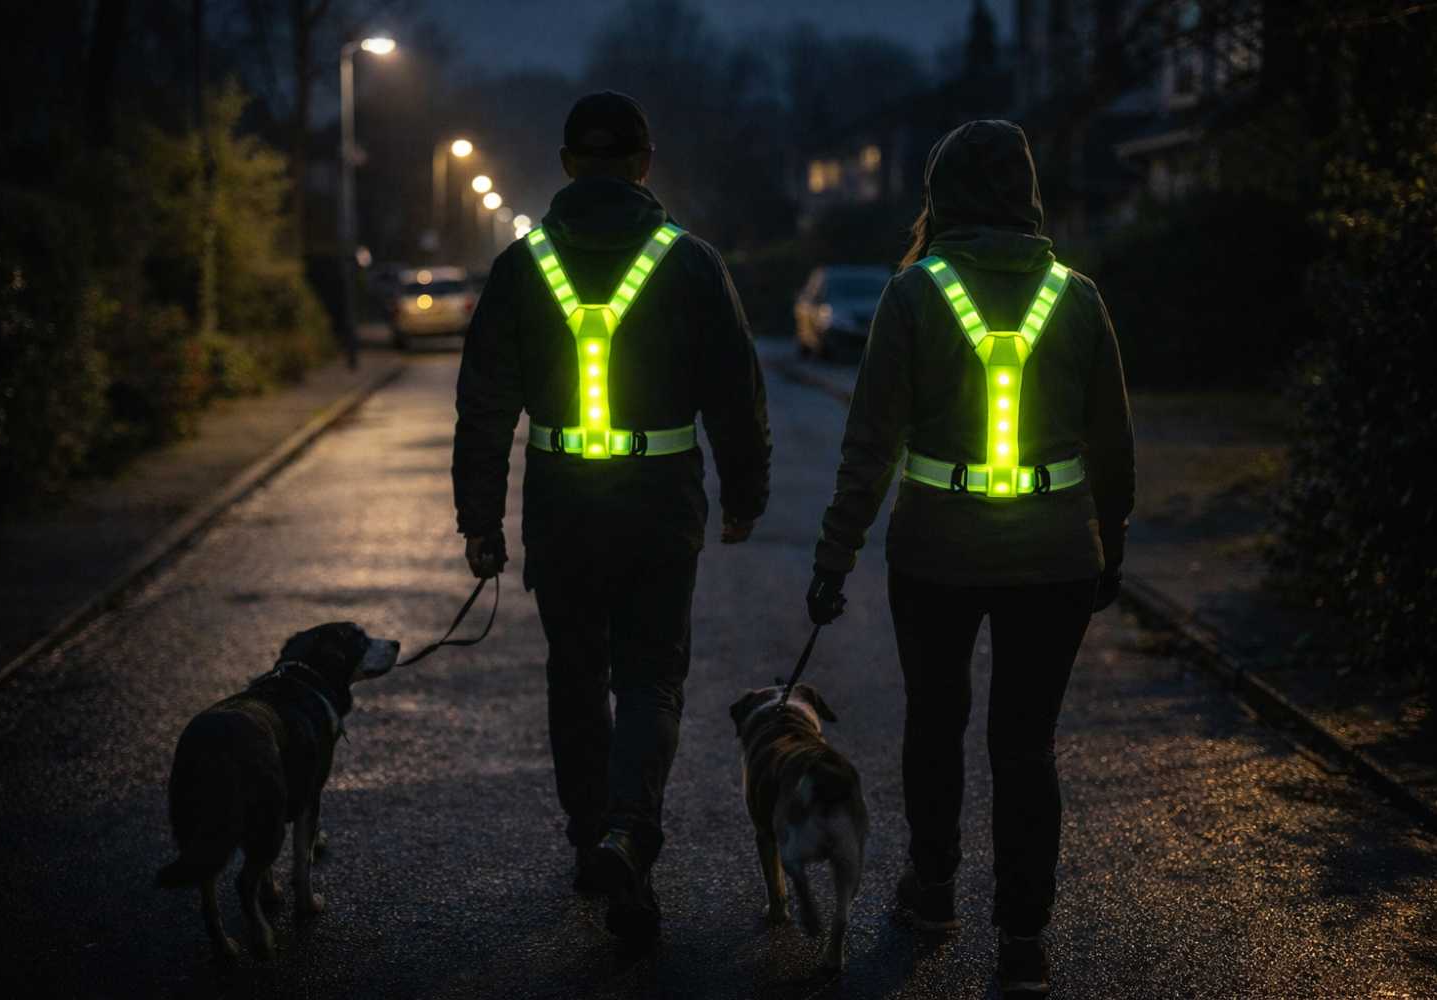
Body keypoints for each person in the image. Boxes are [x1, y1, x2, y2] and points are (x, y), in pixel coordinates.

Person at [805, 119, 1134, 994]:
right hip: (1057, 555)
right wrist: (1113, 538)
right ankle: (1024, 937)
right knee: (1026, 746)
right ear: (1026, 193)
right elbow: (1113, 442)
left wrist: (834, 557)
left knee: (935, 723)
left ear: (940, 195)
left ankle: (935, 888)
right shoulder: (1079, 297)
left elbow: (869, 444)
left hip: (936, 555)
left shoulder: (914, 295)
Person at [452, 91, 772, 947]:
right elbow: (736, 394)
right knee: (649, 678)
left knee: (574, 673)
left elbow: (484, 402)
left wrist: (480, 519)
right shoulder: (691, 263)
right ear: (645, 162)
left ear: (566, 166)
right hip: (660, 503)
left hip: (561, 503)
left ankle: (592, 835)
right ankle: (633, 833)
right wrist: (745, 495)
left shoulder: (523, 267)